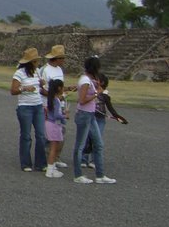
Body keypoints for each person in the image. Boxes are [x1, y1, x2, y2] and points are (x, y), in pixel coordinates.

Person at [71, 57, 116, 185]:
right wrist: (97, 93)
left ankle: (100, 175)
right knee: (80, 146)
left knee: (98, 144)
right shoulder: (85, 81)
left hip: (90, 115)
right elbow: (82, 100)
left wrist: (95, 88)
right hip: (84, 114)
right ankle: (78, 175)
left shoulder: (88, 80)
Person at [11, 47, 46, 172]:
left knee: (41, 135)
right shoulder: (19, 73)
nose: (38, 63)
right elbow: (13, 90)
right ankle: (26, 163)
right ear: (31, 62)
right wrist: (25, 88)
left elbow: (40, 88)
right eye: (36, 61)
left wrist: (41, 84)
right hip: (25, 107)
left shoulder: (37, 72)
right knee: (26, 135)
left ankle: (40, 163)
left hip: (38, 106)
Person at [83, 73, 129, 168]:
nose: (94, 81)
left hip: (100, 120)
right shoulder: (91, 91)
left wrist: (119, 118)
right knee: (87, 138)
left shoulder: (105, 95)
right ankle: (83, 159)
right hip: (89, 117)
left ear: (102, 82)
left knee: (96, 139)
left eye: (96, 80)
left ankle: (94, 160)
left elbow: (111, 109)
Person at [43, 79, 67, 178]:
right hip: (54, 124)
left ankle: (52, 168)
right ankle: (50, 170)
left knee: (53, 148)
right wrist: (65, 116)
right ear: (59, 88)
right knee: (54, 148)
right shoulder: (56, 100)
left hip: (49, 123)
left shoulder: (51, 98)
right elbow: (57, 115)